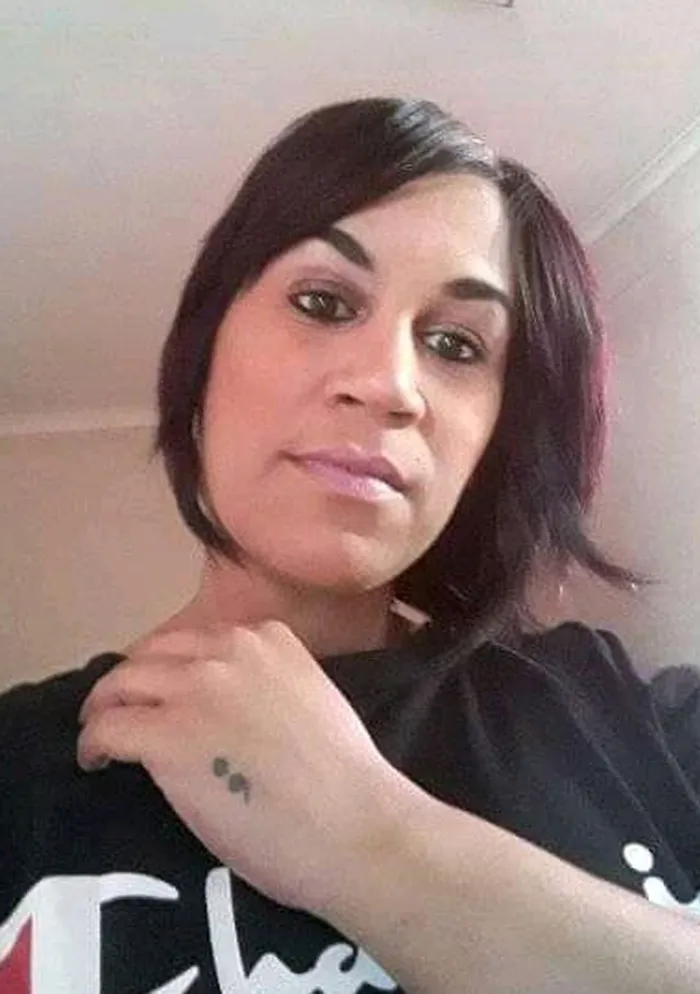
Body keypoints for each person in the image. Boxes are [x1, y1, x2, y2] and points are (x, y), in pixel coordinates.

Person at [0, 97, 698, 994]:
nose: (389, 383)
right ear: (205, 357)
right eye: (323, 302)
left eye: (456, 345)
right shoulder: (18, 773)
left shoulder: (630, 717)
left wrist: (372, 841)